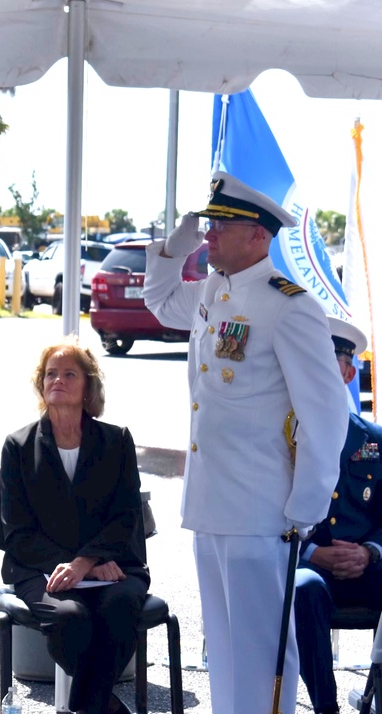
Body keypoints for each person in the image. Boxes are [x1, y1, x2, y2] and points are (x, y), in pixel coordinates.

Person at [142, 171, 349, 714]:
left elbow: (326, 414)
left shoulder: (288, 305)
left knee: (261, 651)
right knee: (225, 649)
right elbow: (160, 301)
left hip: (263, 510)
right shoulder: (215, 289)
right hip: (212, 503)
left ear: (258, 234)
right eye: (207, 226)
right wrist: (173, 248)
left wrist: (303, 506)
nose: (208, 235)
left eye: (220, 226)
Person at [0, 337, 148, 714]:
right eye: (50, 374)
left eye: (69, 374)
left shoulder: (116, 440)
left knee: (120, 607)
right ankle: (105, 707)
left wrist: (88, 561)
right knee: (70, 619)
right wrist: (77, 562)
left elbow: (126, 514)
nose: (57, 381)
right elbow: (17, 531)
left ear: (88, 387)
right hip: (40, 567)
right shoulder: (18, 446)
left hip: (113, 564)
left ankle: (85, 704)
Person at [294, 317, 382, 714]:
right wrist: (312, 553)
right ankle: (325, 707)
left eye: (329, 360)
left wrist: (371, 552)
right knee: (302, 589)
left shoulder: (373, 440)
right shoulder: (283, 435)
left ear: (348, 371)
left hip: (368, 566)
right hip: (312, 566)